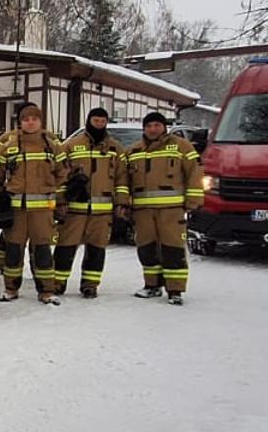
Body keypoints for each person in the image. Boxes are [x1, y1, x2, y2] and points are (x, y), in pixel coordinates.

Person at [118, 112, 204, 305]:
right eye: (149, 126)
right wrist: (124, 202)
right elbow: (123, 180)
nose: (153, 129)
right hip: (142, 211)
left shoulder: (181, 146)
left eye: (157, 125)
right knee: (146, 248)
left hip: (171, 210)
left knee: (172, 248)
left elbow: (195, 174)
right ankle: (152, 286)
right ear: (144, 128)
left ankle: (175, 290)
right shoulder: (133, 151)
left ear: (164, 127)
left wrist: (192, 201)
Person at [0, 103, 66, 303]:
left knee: (42, 251)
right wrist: (1, 195)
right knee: (13, 251)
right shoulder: (9, 146)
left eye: (34, 119)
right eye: (26, 119)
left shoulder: (52, 146)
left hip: (43, 210)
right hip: (16, 210)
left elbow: (63, 174)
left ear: (41, 122)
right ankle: (10, 288)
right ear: (20, 123)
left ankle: (46, 291)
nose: (30, 123)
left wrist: (58, 199)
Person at [56, 107, 125, 298]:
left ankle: (90, 284)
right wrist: (61, 200)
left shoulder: (115, 149)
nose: (99, 124)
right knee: (65, 246)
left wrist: (121, 203)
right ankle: (57, 282)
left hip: (102, 211)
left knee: (96, 249)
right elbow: (61, 174)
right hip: (75, 209)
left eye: (103, 121)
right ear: (89, 121)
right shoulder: (72, 145)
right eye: (96, 121)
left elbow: (121, 179)